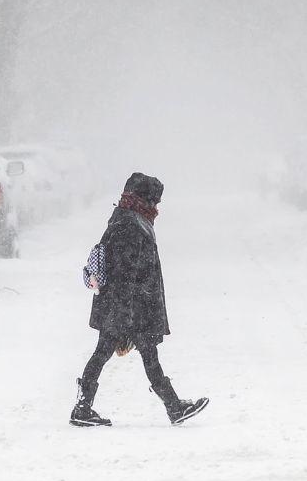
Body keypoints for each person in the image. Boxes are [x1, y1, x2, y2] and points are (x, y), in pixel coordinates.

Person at [70, 172, 208, 427]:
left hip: (125, 306)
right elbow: (125, 274)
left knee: (118, 354)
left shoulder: (128, 219)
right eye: (154, 202)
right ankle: (172, 407)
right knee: (125, 354)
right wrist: (127, 318)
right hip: (129, 308)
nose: (156, 208)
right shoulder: (130, 226)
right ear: (143, 199)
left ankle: (84, 407)